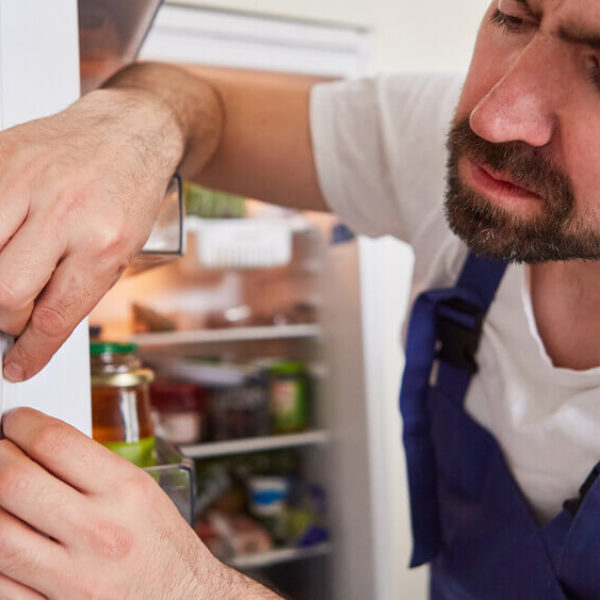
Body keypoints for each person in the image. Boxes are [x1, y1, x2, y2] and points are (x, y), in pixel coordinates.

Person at [0, 0, 598, 597]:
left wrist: (190, 588)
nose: (493, 118)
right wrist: (129, 130)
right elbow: (200, 100)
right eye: (514, 17)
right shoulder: (449, 141)